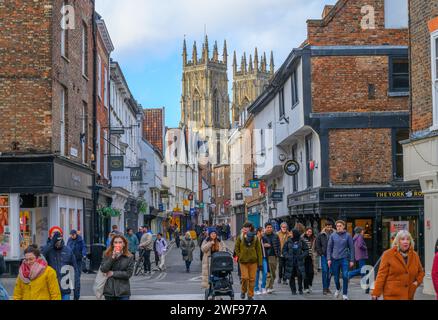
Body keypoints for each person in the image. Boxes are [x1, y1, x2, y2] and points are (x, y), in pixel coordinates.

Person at [372, 230, 425, 300]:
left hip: (408, 295)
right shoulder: (388, 254)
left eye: (408, 239)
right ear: (398, 241)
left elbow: (421, 272)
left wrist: (416, 283)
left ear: (410, 241)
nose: (405, 242)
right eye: (402, 239)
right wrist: (376, 293)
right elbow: (381, 275)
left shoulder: (414, 255)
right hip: (391, 295)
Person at [42, 228, 79, 300]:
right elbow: (40, 258)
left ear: (61, 236)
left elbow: (74, 272)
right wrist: (52, 243)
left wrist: (76, 292)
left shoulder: (68, 250)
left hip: (64, 289)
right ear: (50, 236)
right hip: (49, 290)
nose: (56, 235)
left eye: (58, 233)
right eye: (54, 233)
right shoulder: (46, 249)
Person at [100, 235, 134, 300]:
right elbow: (103, 269)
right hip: (109, 290)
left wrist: (113, 273)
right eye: (115, 242)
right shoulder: (107, 254)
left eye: (120, 242)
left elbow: (128, 274)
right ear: (112, 244)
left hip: (123, 291)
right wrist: (112, 258)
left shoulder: (129, 256)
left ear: (124, 244)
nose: (118, 244)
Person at [327, 220, 355, 300]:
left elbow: (352, 248)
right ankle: (338, 288)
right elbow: (329, 248)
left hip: (344, 259)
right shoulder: (332, 235)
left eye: (340, 226)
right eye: (337, 226)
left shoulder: (348, 235)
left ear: (343, 226)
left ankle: (345, 294)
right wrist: (329, 259)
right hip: (334, 259)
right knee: (336, 278)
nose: (338, 227)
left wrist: (352, 260)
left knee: (345, 276)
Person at [234, 222, 262, 300]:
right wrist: (240, 255)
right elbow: (236, 248)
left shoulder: (255, 237)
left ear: (250, 228)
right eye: (244, 227)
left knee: (252, 279)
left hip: (253, 261)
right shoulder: (240, 237)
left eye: (247, 227)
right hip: (243, 261)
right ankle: (243, 291)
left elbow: (259, 250)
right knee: (244, 278)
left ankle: (250, 295)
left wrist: (260, 263)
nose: (245, 229)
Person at [283, 229, 309, 295]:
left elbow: (306, 250)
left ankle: (300, 289)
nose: (290, 234)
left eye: (292, 233)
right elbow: (284, 250)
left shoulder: (301, 241)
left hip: (299, 262)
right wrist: (287, 256)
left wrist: (302, 256)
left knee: (300, 276)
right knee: (291, 276)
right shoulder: (288, 241)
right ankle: (293, 290)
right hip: (290, 262)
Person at [67, 229, 87, 300]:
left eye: (73, 235)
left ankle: (76, 296)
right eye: (71, 235)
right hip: (70, 262)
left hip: (78, 261)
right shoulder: (69, 240)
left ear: (76, 234)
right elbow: (67, 248)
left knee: (77, 278)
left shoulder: (80, 240)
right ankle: (69, 294)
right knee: (69, 279)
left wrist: (84, 254)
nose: (72, 236)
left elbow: (84, 247)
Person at [315, 221, 334, 295]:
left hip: (332, 256)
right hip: (324, 256)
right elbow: (317, 245)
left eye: (330, 227)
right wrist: (321, 253)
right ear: (325, 226)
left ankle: (327, 287)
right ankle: (324, 288)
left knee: (330, 272)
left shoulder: (335, 234)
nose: (329, 228)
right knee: (325, 271)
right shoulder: (321, 235)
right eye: (328, 227)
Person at [263, 222, 280, 294]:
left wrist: (278, 254)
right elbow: (259, 245)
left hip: (274, 256)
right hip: (266, 256)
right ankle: (268, 287)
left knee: (273, 273)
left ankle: (270, 286)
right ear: (265, 228)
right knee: (268, 273)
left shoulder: (275, 236)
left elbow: (279, 245)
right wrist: (264, 245)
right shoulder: (263, 236)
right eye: (268, 227)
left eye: (270, 227)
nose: (269, 229)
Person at [301, 227, 316, 293]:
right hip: (304, 258)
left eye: (310, 232)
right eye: (308, 231)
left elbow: (315, 247)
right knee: (305, 273)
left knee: (311, 272)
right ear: (306, 231)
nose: (309, 233)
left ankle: (310, 284)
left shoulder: (314, 238)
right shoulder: (302, 238)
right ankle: (306, 287)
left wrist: (315, 253)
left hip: (311, 258)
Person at [254, 227, 268, 295]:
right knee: (257, 274)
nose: (263, 232)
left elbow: (268, 244)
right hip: (256, 259)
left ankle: (263, 287)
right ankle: (256, 289)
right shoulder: (254, 239)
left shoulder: (264, 238)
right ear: (258, 232)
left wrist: (267, 245)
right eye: (262, 231)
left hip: (264, 258)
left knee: (265, 272)